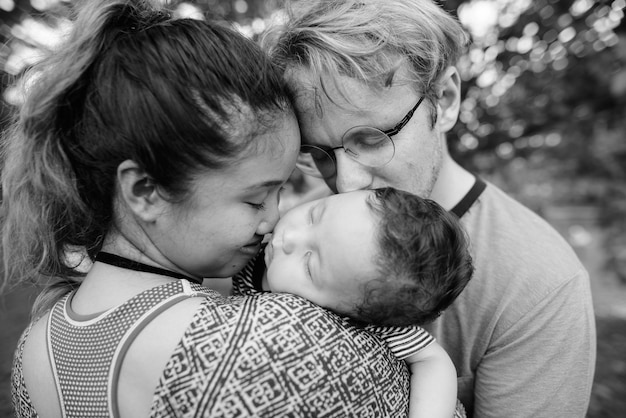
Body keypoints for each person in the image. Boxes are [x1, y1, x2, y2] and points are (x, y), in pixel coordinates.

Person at [1, 1, 425, 416]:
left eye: (281, 192)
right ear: (146, 190)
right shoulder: (276, 340)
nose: (272, 219)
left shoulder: (31, 349)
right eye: (256, 198)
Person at [262, 0, 597, 417]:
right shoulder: (293, 225)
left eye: (370, 139)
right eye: (321, 153)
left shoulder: (539, 289)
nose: (346, 183)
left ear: (446, 99)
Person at [233, 187, 474, 418]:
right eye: (313, 215)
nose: (289, 238)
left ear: (349, 313)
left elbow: (432, 360)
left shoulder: (366, 325)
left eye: (309, 264)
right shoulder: (260, 244)